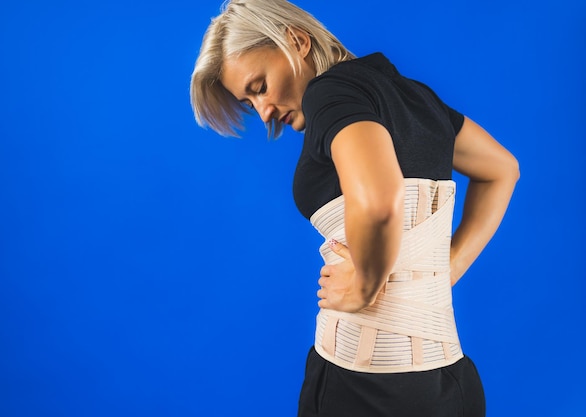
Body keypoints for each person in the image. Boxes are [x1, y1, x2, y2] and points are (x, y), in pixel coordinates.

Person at [190, 1, 519, 416]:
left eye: (260, 87)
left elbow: (380, 198)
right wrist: (443, 272)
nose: (263, 112)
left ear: (296, 40)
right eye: (248, 103)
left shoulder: (329, 93)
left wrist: (365, 285)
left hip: (364, 388)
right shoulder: (413, 96)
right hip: (449, 385)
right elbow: (502, 170)